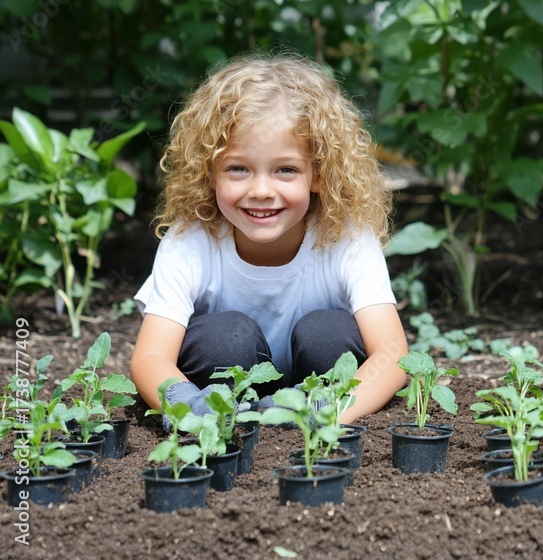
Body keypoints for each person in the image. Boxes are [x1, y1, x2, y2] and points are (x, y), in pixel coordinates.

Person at [130, 52, 408, 427]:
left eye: (285, 170)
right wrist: (188, 407)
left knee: (328, 334)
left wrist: (327, 410)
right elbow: (150, 358)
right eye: (238, 168)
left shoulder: (347, 237)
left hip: (321, 399)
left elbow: (391, 354)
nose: (261, 190)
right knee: (222, 338)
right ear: (209, 173)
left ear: (319, 174)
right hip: (223, 403)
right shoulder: (191, 241)